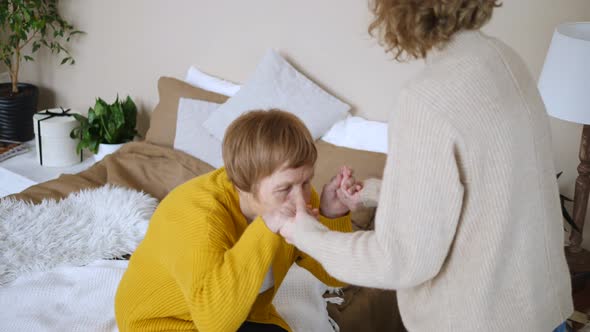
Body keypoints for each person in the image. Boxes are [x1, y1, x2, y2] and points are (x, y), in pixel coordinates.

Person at [279, 1, 574, 331]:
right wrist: (372, 193)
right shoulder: (504, 60)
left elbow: (400, 260)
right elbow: (488, 194)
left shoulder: (426, 102)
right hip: (542, 311)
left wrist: (303, 232)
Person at [115, 109, 354, 332]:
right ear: (243, 184)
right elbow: (214, 323)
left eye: (306, 181)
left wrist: (332, 217)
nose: (301, 200)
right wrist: (267, 228)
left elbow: (337, 278)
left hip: (242, 313)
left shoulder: (298, 196)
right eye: (284, 188)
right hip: (164, 323)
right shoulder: (198, 215)